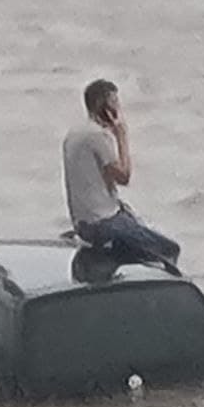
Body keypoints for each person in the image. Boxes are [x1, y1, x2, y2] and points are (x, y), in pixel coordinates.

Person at [62, 79, 181, 268]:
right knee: (169, 249)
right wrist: (121, 136)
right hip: (102, 223)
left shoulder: (74, 134)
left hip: (84, 221)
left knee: (133, 220)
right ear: (106, 107)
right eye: (115, 103)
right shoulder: (98, 136)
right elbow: (124, 176)